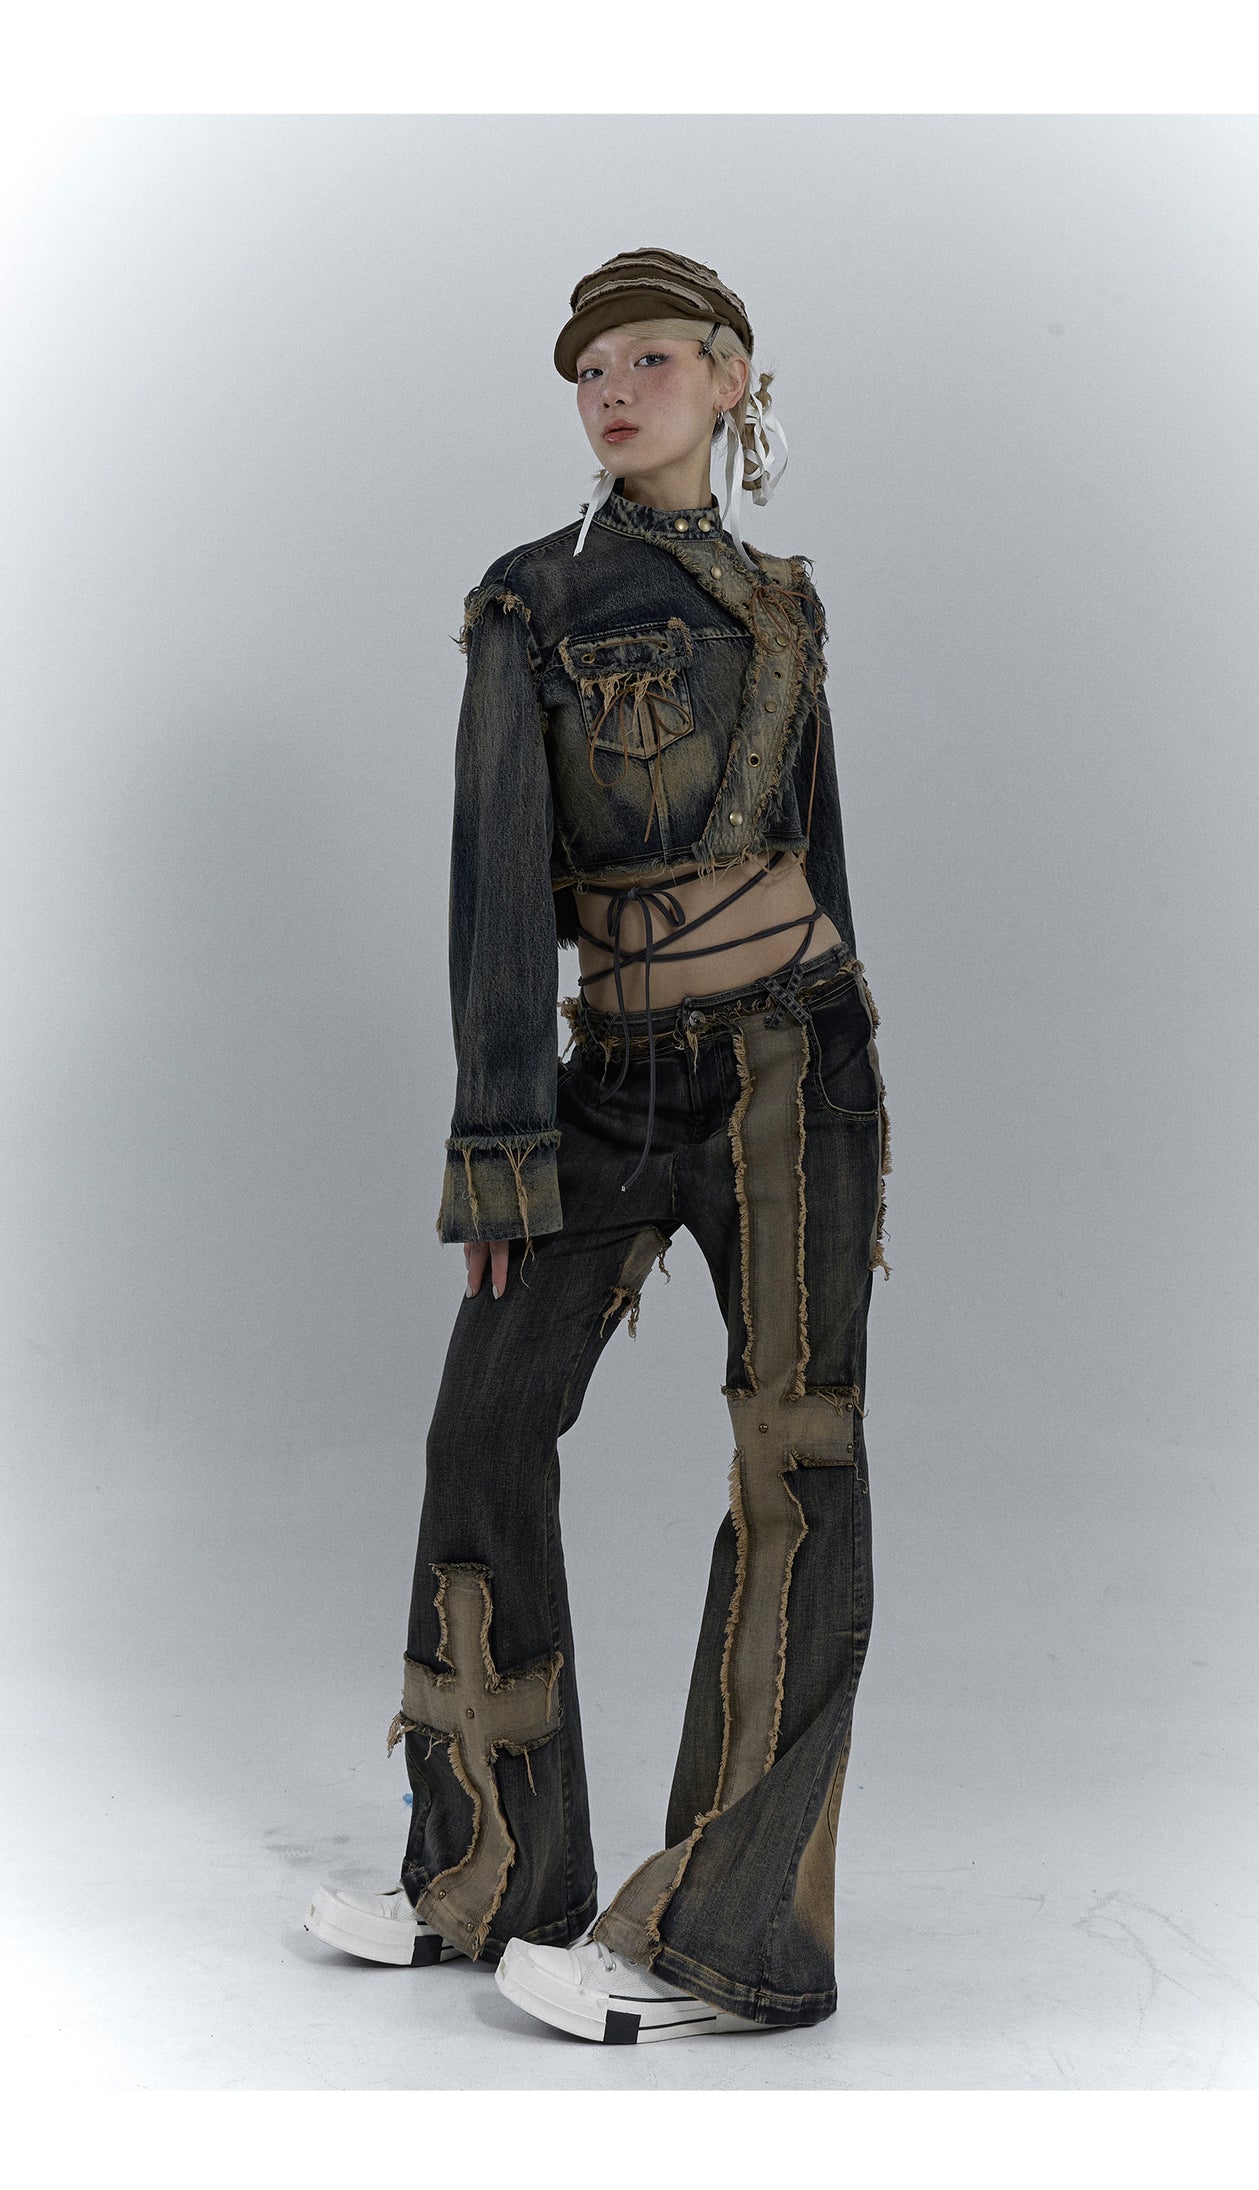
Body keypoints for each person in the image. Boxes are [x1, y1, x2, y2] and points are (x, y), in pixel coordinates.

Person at [305, 246, 892, 2043]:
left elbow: (819, 858)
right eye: (588, 369)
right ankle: (488, 1871)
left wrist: (851, 1073)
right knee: (484, 1424)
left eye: (649, 358)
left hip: (796, 1069)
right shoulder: (533, 599)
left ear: (730, 378)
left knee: (794, 1461)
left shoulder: (783, 604)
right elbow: (496, 882)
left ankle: (729, 1940)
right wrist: (500, 1139)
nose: (613, 390)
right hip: (612, 1080)